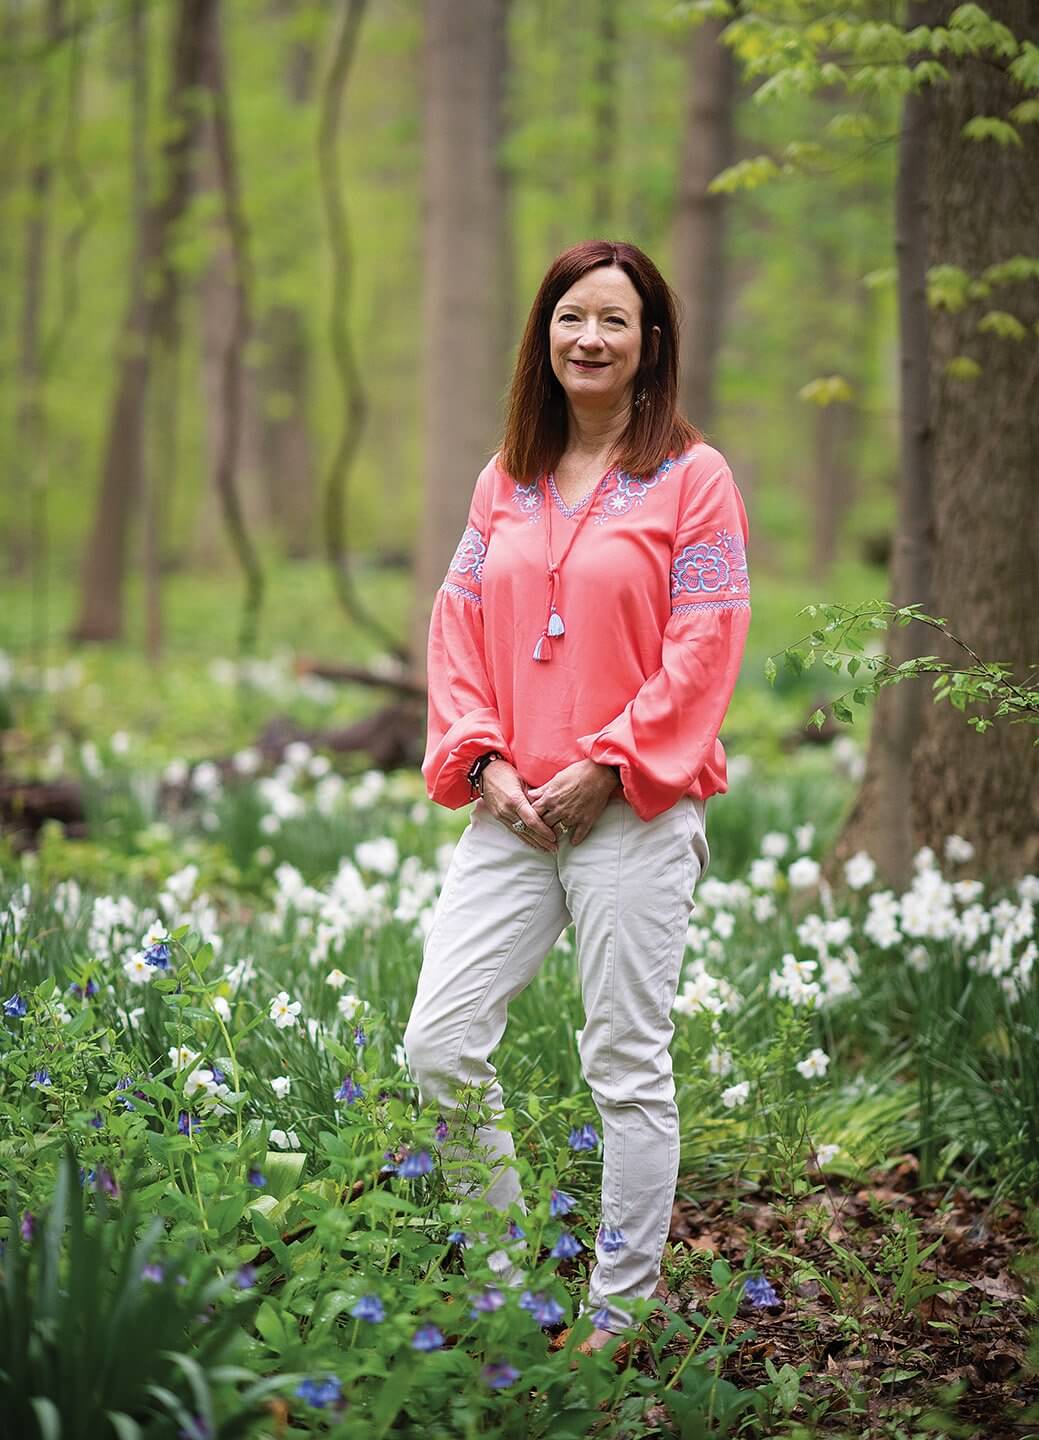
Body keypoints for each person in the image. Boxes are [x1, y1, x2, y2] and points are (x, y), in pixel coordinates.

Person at [403, 239, 750, 1356]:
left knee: (625, 1065)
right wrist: (484, 759)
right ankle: (510, 1288)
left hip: (633, 813)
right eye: (569, 318)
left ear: (650, 344)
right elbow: (459, 628)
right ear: (541, 337)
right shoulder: (504, 478)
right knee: (438, 1043)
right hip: (510, 812)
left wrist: (610, 764)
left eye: (613, 320)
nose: (588, 338)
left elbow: (706, 642)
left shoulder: (693, 479)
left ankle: (617, 1312)